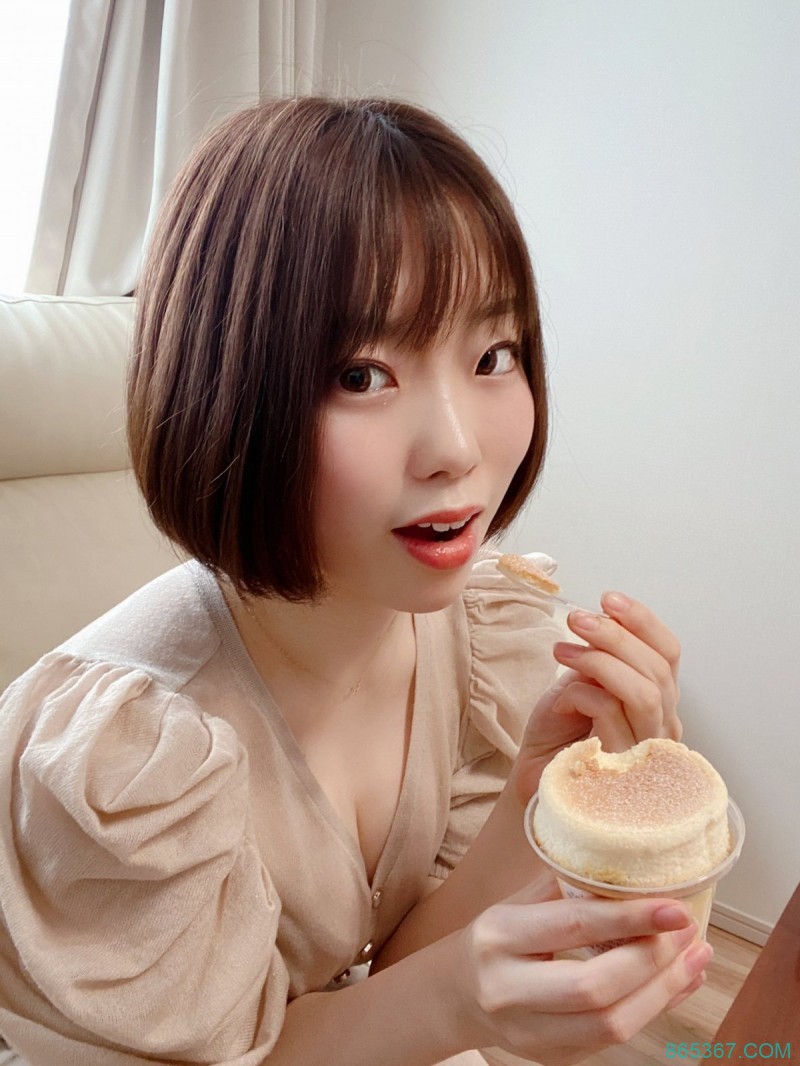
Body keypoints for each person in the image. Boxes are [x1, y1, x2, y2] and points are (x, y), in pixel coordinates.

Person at [0, 97, 706, 1066]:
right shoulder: (127, 763)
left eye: (491, 356)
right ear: (225, 386)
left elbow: (391, 979)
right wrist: (456, 1001)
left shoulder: (460, 629)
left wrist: (534, 795)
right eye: (363, 375)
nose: (456, 447)